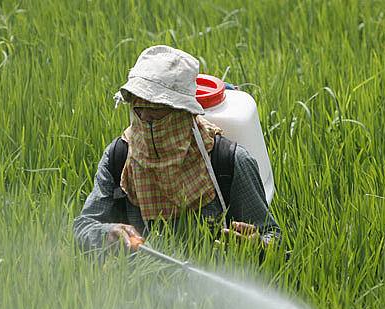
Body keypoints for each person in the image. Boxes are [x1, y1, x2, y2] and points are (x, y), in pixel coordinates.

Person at [73, 45, 281, 253]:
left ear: (184, 113)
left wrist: (257, 245)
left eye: (157, 110)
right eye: (138, 108)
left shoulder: (228, 161)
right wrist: (108, 232)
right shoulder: (118, 157)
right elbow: (83, 227)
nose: (145, 118)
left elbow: (273, 236)